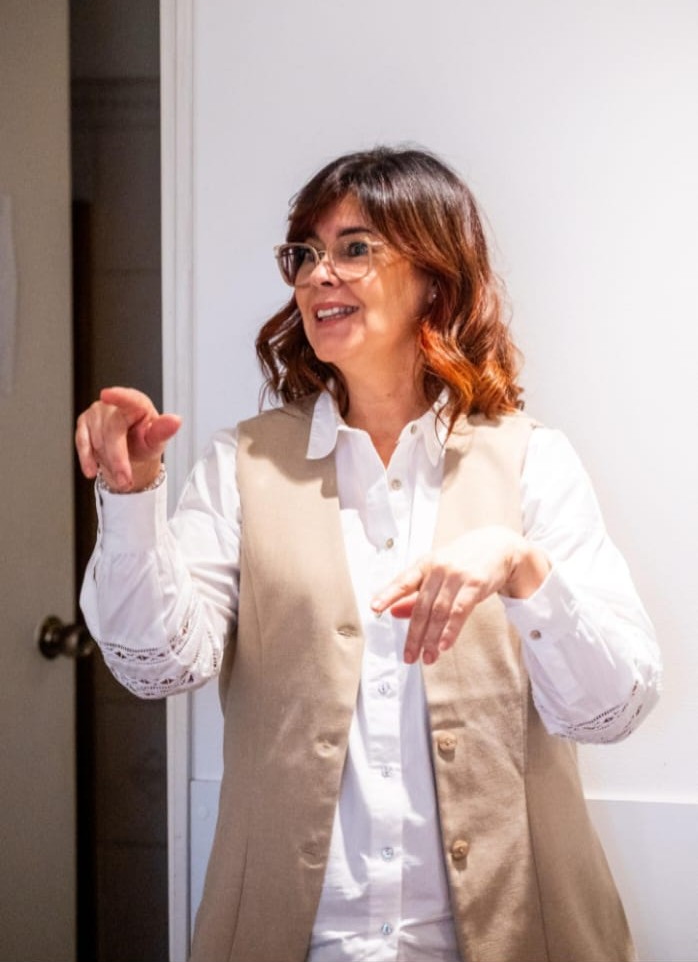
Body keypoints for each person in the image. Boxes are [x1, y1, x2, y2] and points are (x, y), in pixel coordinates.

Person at [75, 146, 661, 962]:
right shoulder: (243, 464)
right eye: (305, 253)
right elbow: (158, 666)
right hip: (302, 942)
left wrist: (522, 568)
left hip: (513, 934)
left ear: (435, 277)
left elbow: (614, 707)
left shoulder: (533, 459)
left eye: (354, 248)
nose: (319, 274)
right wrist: (132, 498)